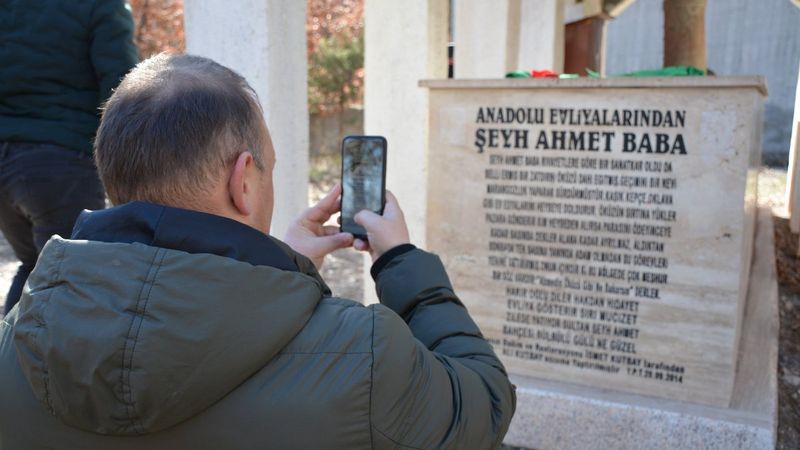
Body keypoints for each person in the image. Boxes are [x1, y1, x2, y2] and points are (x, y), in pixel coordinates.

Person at [0, 54, 516, 449]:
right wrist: (400, 260)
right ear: (243, 179)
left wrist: (280, 267)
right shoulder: (364, 356)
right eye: (267, 167)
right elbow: (484, 402)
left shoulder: (16, 337)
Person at [0, 0, 138, 314]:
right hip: (60, 166)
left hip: (4, 164)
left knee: (36, 267)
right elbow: (123, 89)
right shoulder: (100, 6)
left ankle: (10, 359)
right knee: (75, 278)